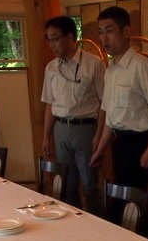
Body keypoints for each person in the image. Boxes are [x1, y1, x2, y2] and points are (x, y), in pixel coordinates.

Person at [90, 6, 148, 190]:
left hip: (138, 143)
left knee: (134, 200)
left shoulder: (142, 66)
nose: (104, 38)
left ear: (126, 32)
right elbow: (110, 116)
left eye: (109, 31)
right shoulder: (110, 70)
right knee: (120, 197)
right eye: (101, 32)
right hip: (118, 143)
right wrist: (100, 149)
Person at [41, 16, 106, 213]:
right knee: (66, 184)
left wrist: (99, 135)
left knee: (89, 184)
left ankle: (96, 224)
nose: (52, 44)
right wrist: (46, 137)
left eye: (55, 38)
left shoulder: (94, 64)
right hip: (61, 129)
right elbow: (50, 104)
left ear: (70, 37)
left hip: (86, 129)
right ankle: (73, 222)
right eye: (49, 39)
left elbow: (104, 103)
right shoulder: (51, 67)